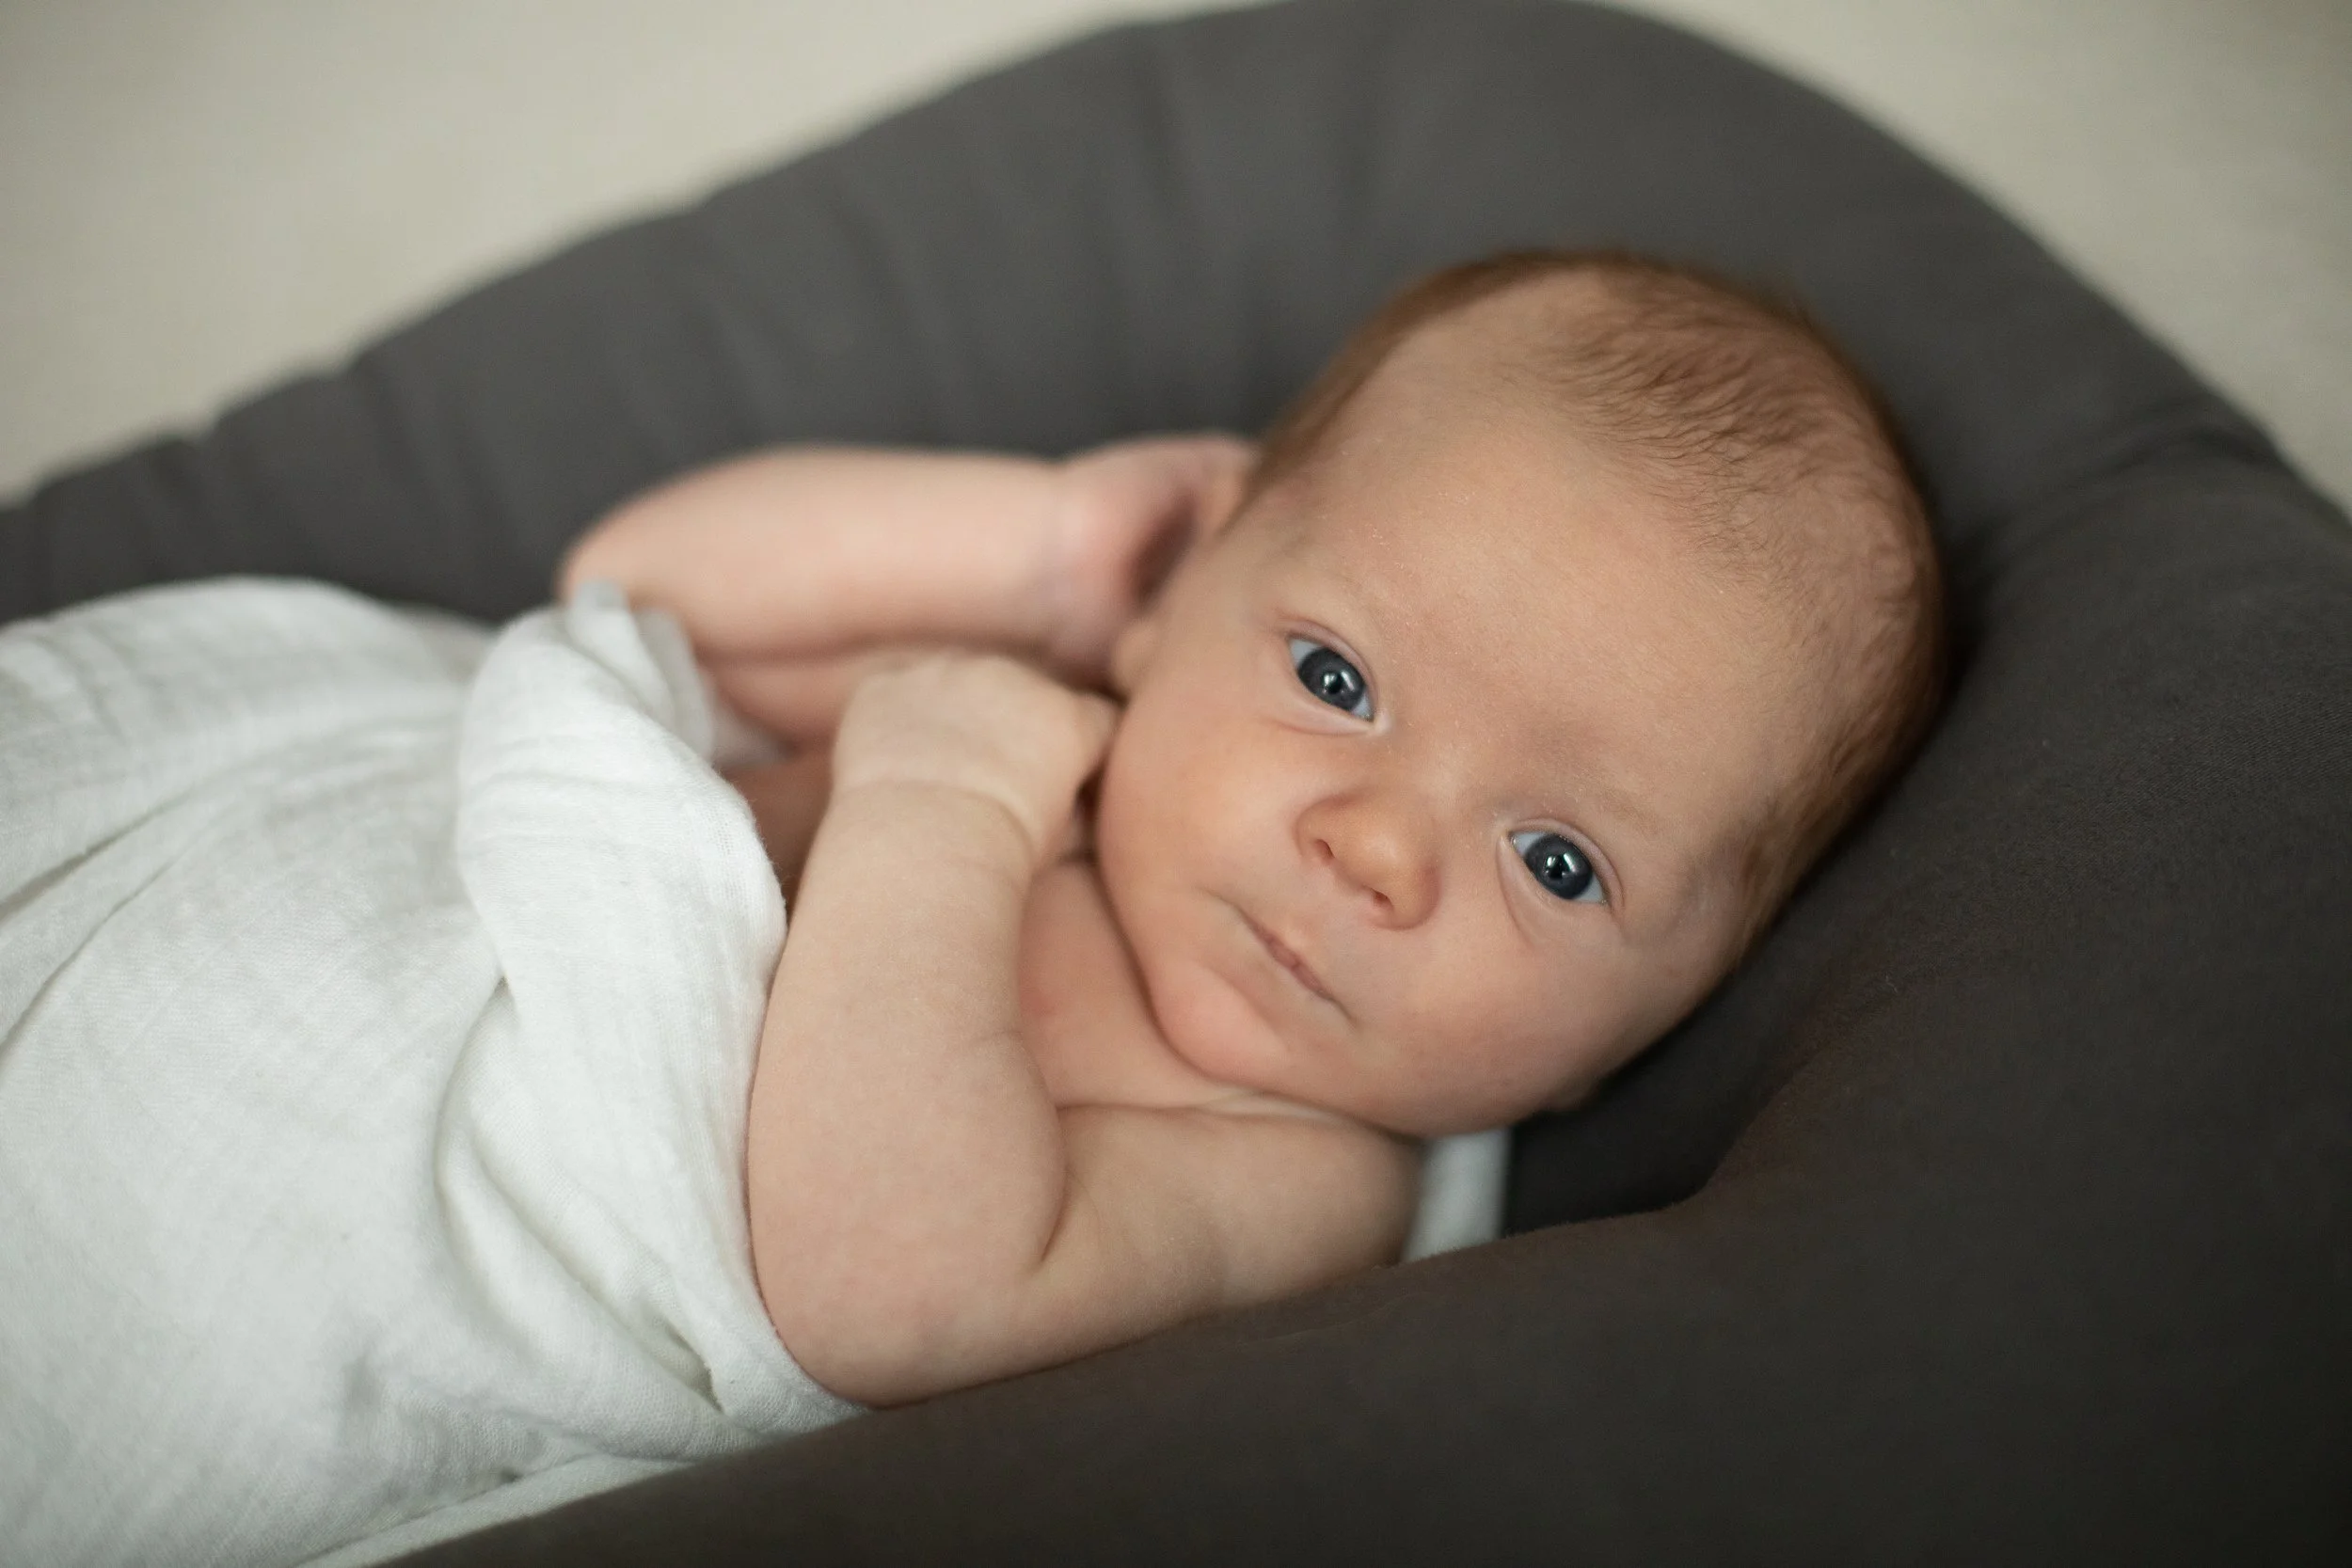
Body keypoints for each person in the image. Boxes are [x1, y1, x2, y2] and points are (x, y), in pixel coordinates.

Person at [558, 249, 1947, 1408]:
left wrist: (937, 816)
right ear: (1187, 584)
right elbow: (632, 598)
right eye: (1335, 679)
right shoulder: (1054, 713)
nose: (1378, 853)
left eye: (1557, 863)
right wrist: (1046, 552)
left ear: (1647, 1032)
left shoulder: (1303, 1174)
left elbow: (892, 1298)